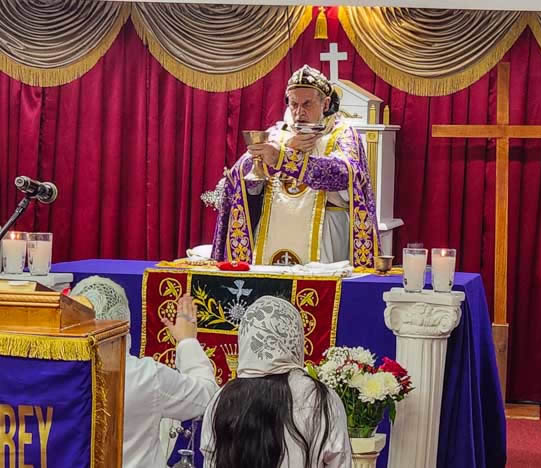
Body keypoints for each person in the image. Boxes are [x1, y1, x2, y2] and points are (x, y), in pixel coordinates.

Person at [210, 65, 378, 269]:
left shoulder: (342, 133)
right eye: (294, 104)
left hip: (326, 230)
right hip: (274, 228)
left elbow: (345, 174)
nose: (299, 112)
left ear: (325, 103)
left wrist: (282, 158)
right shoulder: (277, 133)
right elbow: (240, 174)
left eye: (307, 104)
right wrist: (282, 151)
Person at [70, 276, 219, 468]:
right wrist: (187, 341)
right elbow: (208, 397)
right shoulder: (146, 376)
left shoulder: (54, 374)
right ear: (124, 324)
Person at [201, 296, 350, 468]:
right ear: (294, 338)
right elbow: (339, 460)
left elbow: (210, 460)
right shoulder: (319, 397)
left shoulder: (221, 398)